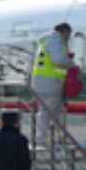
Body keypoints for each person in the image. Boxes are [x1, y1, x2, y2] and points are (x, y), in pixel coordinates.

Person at [30, 21, 73, 149]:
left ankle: (57, 138)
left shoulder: (45, 41)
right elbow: (58, 60)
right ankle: (43, 139)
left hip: (42, 82)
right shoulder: (56, 40)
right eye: (69, 34)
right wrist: (71, 63)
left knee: (53, 111)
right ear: (64, 32)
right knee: (48, 111)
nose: (69, 37)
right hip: (49, 83)